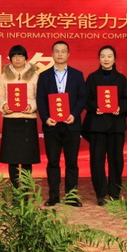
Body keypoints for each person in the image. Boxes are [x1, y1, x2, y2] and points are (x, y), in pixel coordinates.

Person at [36, 40, 86, 207]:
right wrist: (45, 117)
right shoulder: (44, 76)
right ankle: (54, 196)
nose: (60, 54)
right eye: (56, 51)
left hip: (71, 125)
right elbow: (40, 99)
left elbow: (82, 98)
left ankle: (71, 197)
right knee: (53, 162)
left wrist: (74, 114)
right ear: (52, 54)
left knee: (72, 163)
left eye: (63, 51)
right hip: (52, 125)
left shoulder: (77, 75)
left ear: (68, 54)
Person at [83, 45, 127, 206]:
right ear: (99, 59)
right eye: (103, 56)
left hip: (116, 125)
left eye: (109, 56)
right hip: (96, 125)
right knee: (97, 160)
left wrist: (120, 108)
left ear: (114, 59)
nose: (106, 59)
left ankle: (115, 192)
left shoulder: (121, 79)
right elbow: (86, 99)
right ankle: (101, 193)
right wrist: (95, 107)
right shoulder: (92, 78)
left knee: (116, 160)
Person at [0, 45, 40, 188]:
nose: (17, 59)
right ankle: (15, 190)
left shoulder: (34, 76)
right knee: (12, 158)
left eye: (20, 56)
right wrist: (4, 106)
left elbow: (39, 97)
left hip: (28, 120)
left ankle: (26, 189)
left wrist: (31, 106)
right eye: (14, 56)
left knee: (27, 158)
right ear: (10, 59)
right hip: (11, 120)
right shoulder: (4, 76)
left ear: (26, 58)